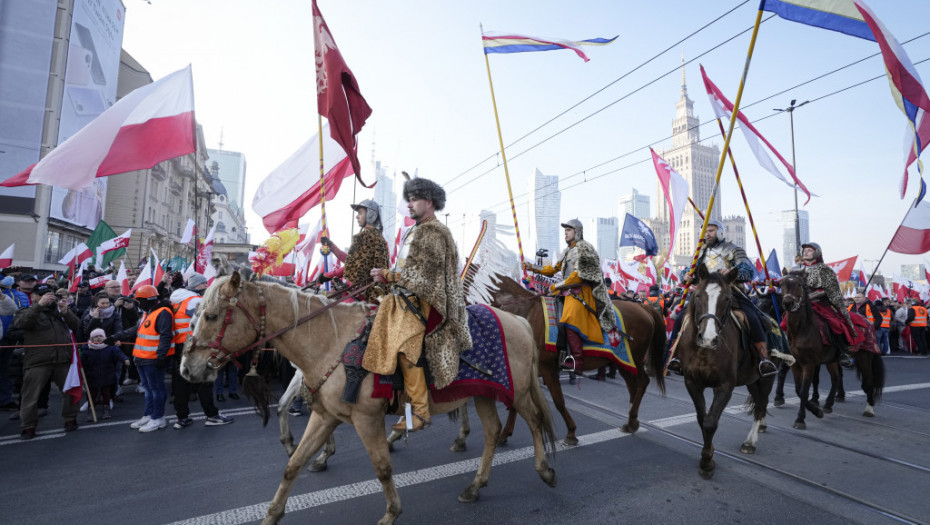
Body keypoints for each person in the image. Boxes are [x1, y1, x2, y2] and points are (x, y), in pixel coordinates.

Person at [364, 177, 472, 432]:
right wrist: (385, 276)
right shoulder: (415, 231)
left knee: (404, 343)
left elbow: (426, 276)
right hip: (407, 297)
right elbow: (407, 270)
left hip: (430, 301)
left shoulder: (435, 232)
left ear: (429, 202)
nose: (409, 205)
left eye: (414, 200)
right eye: (408, 199)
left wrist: (389, 275)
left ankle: (421, 412)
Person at [676, 220, 777, 377]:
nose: (707, 234)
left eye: (710, 231)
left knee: (754, 318)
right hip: (705, 294)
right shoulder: (699, 252)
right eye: (705, 232)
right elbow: (688, 272)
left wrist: (731, 271)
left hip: (730, 292)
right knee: (680, 318)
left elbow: (747, 272)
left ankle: (763, 358)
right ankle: (675, 356)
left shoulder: (734, 250)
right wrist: (686, 275)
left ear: (720, 232)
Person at [525, 219, 615, 374]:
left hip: (582, 292)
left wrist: (554, 286)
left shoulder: (585, 248)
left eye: (568, 230)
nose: (565, 232)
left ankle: (577, 360)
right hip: (567, 292)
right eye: (565, 230)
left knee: (568, 318)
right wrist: (533, 267)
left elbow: (577, 277)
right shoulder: (567, 251)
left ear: (577, 232)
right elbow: (552, 269)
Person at [14, 282, 81, 439]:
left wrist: (66, 312)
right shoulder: (27, 311)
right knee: (31, 395)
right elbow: (21, 324)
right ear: (34, 296)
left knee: (70, 390)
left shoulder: (60, 311)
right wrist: (39, 306)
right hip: (38, 360)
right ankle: (28, 426)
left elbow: (77, 325)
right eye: (43, 294)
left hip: (62, 358)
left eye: (50, 294)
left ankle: (70, 419)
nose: (48, 297)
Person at [171, 273, 233, 428]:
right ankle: (212, 416)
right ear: (197, 286)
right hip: (194, 345)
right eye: (204, 284)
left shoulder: (178, 301)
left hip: (179, 345)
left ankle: (182, 417)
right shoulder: (195, 300)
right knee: (204, 381)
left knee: (180, 383)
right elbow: (206, 321)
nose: (206, 287)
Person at [110, 284, 174, 432]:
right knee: (148, 389)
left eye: (139, 301)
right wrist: (114, 337)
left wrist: (161, 356)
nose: (137, 304)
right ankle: (149, 415)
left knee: (156, 389)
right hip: (141, 358)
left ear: (149, 299)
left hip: (153, 359)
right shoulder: (147, 312)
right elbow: (135, 329)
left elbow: (166, 336)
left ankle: (158, 418)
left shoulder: (163, 313)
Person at [319, 199, 391, 302]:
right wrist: (331, 245)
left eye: (360, 213)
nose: (357, 216)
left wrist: (327, 276)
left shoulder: (366, 236)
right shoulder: (375, 236)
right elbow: (351, 261)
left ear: (371, 215)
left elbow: (352, 266)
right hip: (364, 294)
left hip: (362, 296)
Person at [799, 242, 857, 367]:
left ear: (817, 253)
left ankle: (843, 352)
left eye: (809, 250)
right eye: (804, 250)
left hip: (820, 305)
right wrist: (769, 283)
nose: (805, 252)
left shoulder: (824, 270)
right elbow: (786, 282)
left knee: (836, 324)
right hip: (801, 305)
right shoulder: (797, 269)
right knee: (784, 321)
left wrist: (810, 296)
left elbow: (828, 289)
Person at [81, 328, 129, 420]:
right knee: (92, 394)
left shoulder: (110, 347)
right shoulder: (87, 349)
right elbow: (82, 362)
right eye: (96, 337)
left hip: (107, 375)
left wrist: (125, 359)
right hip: (92, 376)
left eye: (100, 336)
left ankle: (106, 408)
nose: (98, 338)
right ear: (91, 339)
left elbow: (118, 354)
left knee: (106, 393)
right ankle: (91, 410)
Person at [1, 275, 29, 411]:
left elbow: (11, 309)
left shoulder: (14, 296)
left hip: (8, 337)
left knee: (5, 370)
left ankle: (5, 400)